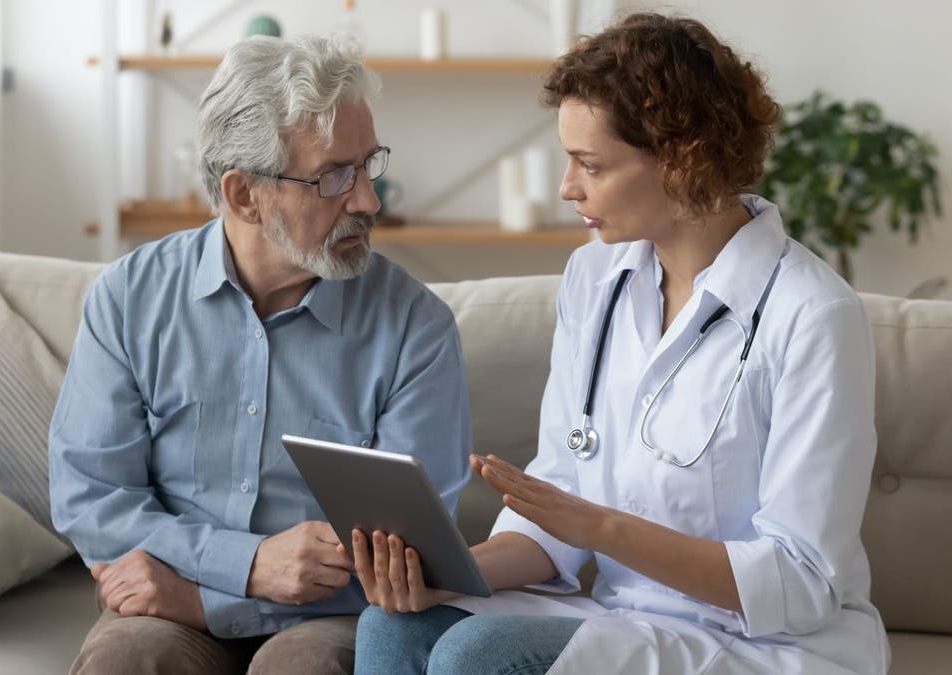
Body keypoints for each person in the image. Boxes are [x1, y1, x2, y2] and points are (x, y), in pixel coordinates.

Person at [351, 12, 887, 675]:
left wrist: (604, 529)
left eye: (590, 164)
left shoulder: (813, 315)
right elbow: (560, 504)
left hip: (764, 645)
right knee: (395, 624)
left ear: (683, 160)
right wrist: (448, 575)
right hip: (624, 621)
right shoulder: (596, 276)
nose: (566, 188)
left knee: (475, 654)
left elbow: (802, 582)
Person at [49, 34, 471, 675]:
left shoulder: (416, 327)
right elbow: (93, 499)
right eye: (335, 176)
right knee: (127, 661)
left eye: (368, 164)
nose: (368, 201)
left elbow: (415, 557)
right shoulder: (129, 299)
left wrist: (203, 598)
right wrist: (246, 566)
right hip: (162, 611)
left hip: (330, 618)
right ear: (244, 195)